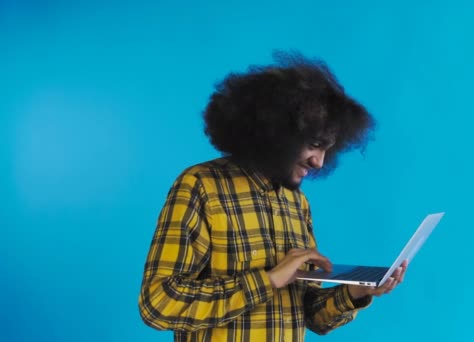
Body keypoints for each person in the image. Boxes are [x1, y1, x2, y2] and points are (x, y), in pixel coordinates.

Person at [138, 51, 407, 341]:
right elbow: (158, 304)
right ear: (278, 131)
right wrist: (268, 280)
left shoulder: (296, 202)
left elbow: (309, 314)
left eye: (327, 149)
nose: (319, 162)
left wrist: (357, 291)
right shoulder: (202, 186)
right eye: (315, 145)